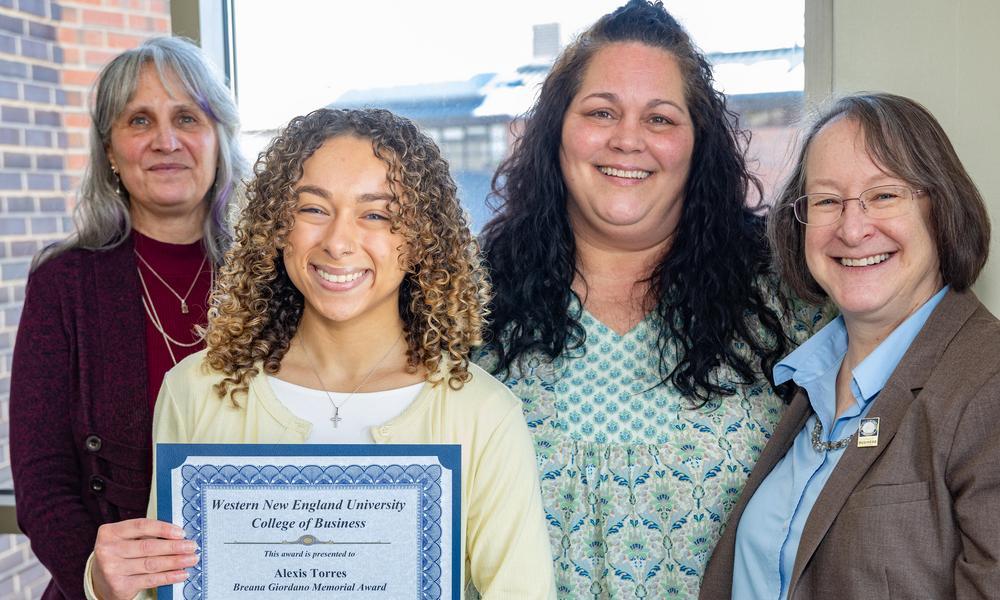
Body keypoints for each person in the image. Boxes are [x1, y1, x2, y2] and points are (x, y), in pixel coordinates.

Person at [85, 108, 556, 600]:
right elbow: (166, 587)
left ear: (420, 241)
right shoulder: (195, 390)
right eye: (312, 209)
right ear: (276, 226)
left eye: (377, 214)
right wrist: (108, 583)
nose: (337, 241)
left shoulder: (483, 413)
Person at [477, 0, 830, 596]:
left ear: (699, 146)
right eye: (601, 112)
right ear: (555, 133)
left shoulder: (793, 302)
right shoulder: (468, 305)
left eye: (661, 119)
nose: (628, 139)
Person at [699, 93, 1000, 599]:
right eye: (828, 200)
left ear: (941, 207)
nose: (853, 228)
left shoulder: (987, 382)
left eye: (884, 195)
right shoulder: (806, 382)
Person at [9, 37, 244, 600]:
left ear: (218, 141)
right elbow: (42, 481)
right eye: (140, 120)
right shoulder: (63, 283)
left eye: (187, 117)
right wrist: (97, 577)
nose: (167, 141)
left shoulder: (274, 276)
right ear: (110, 151)